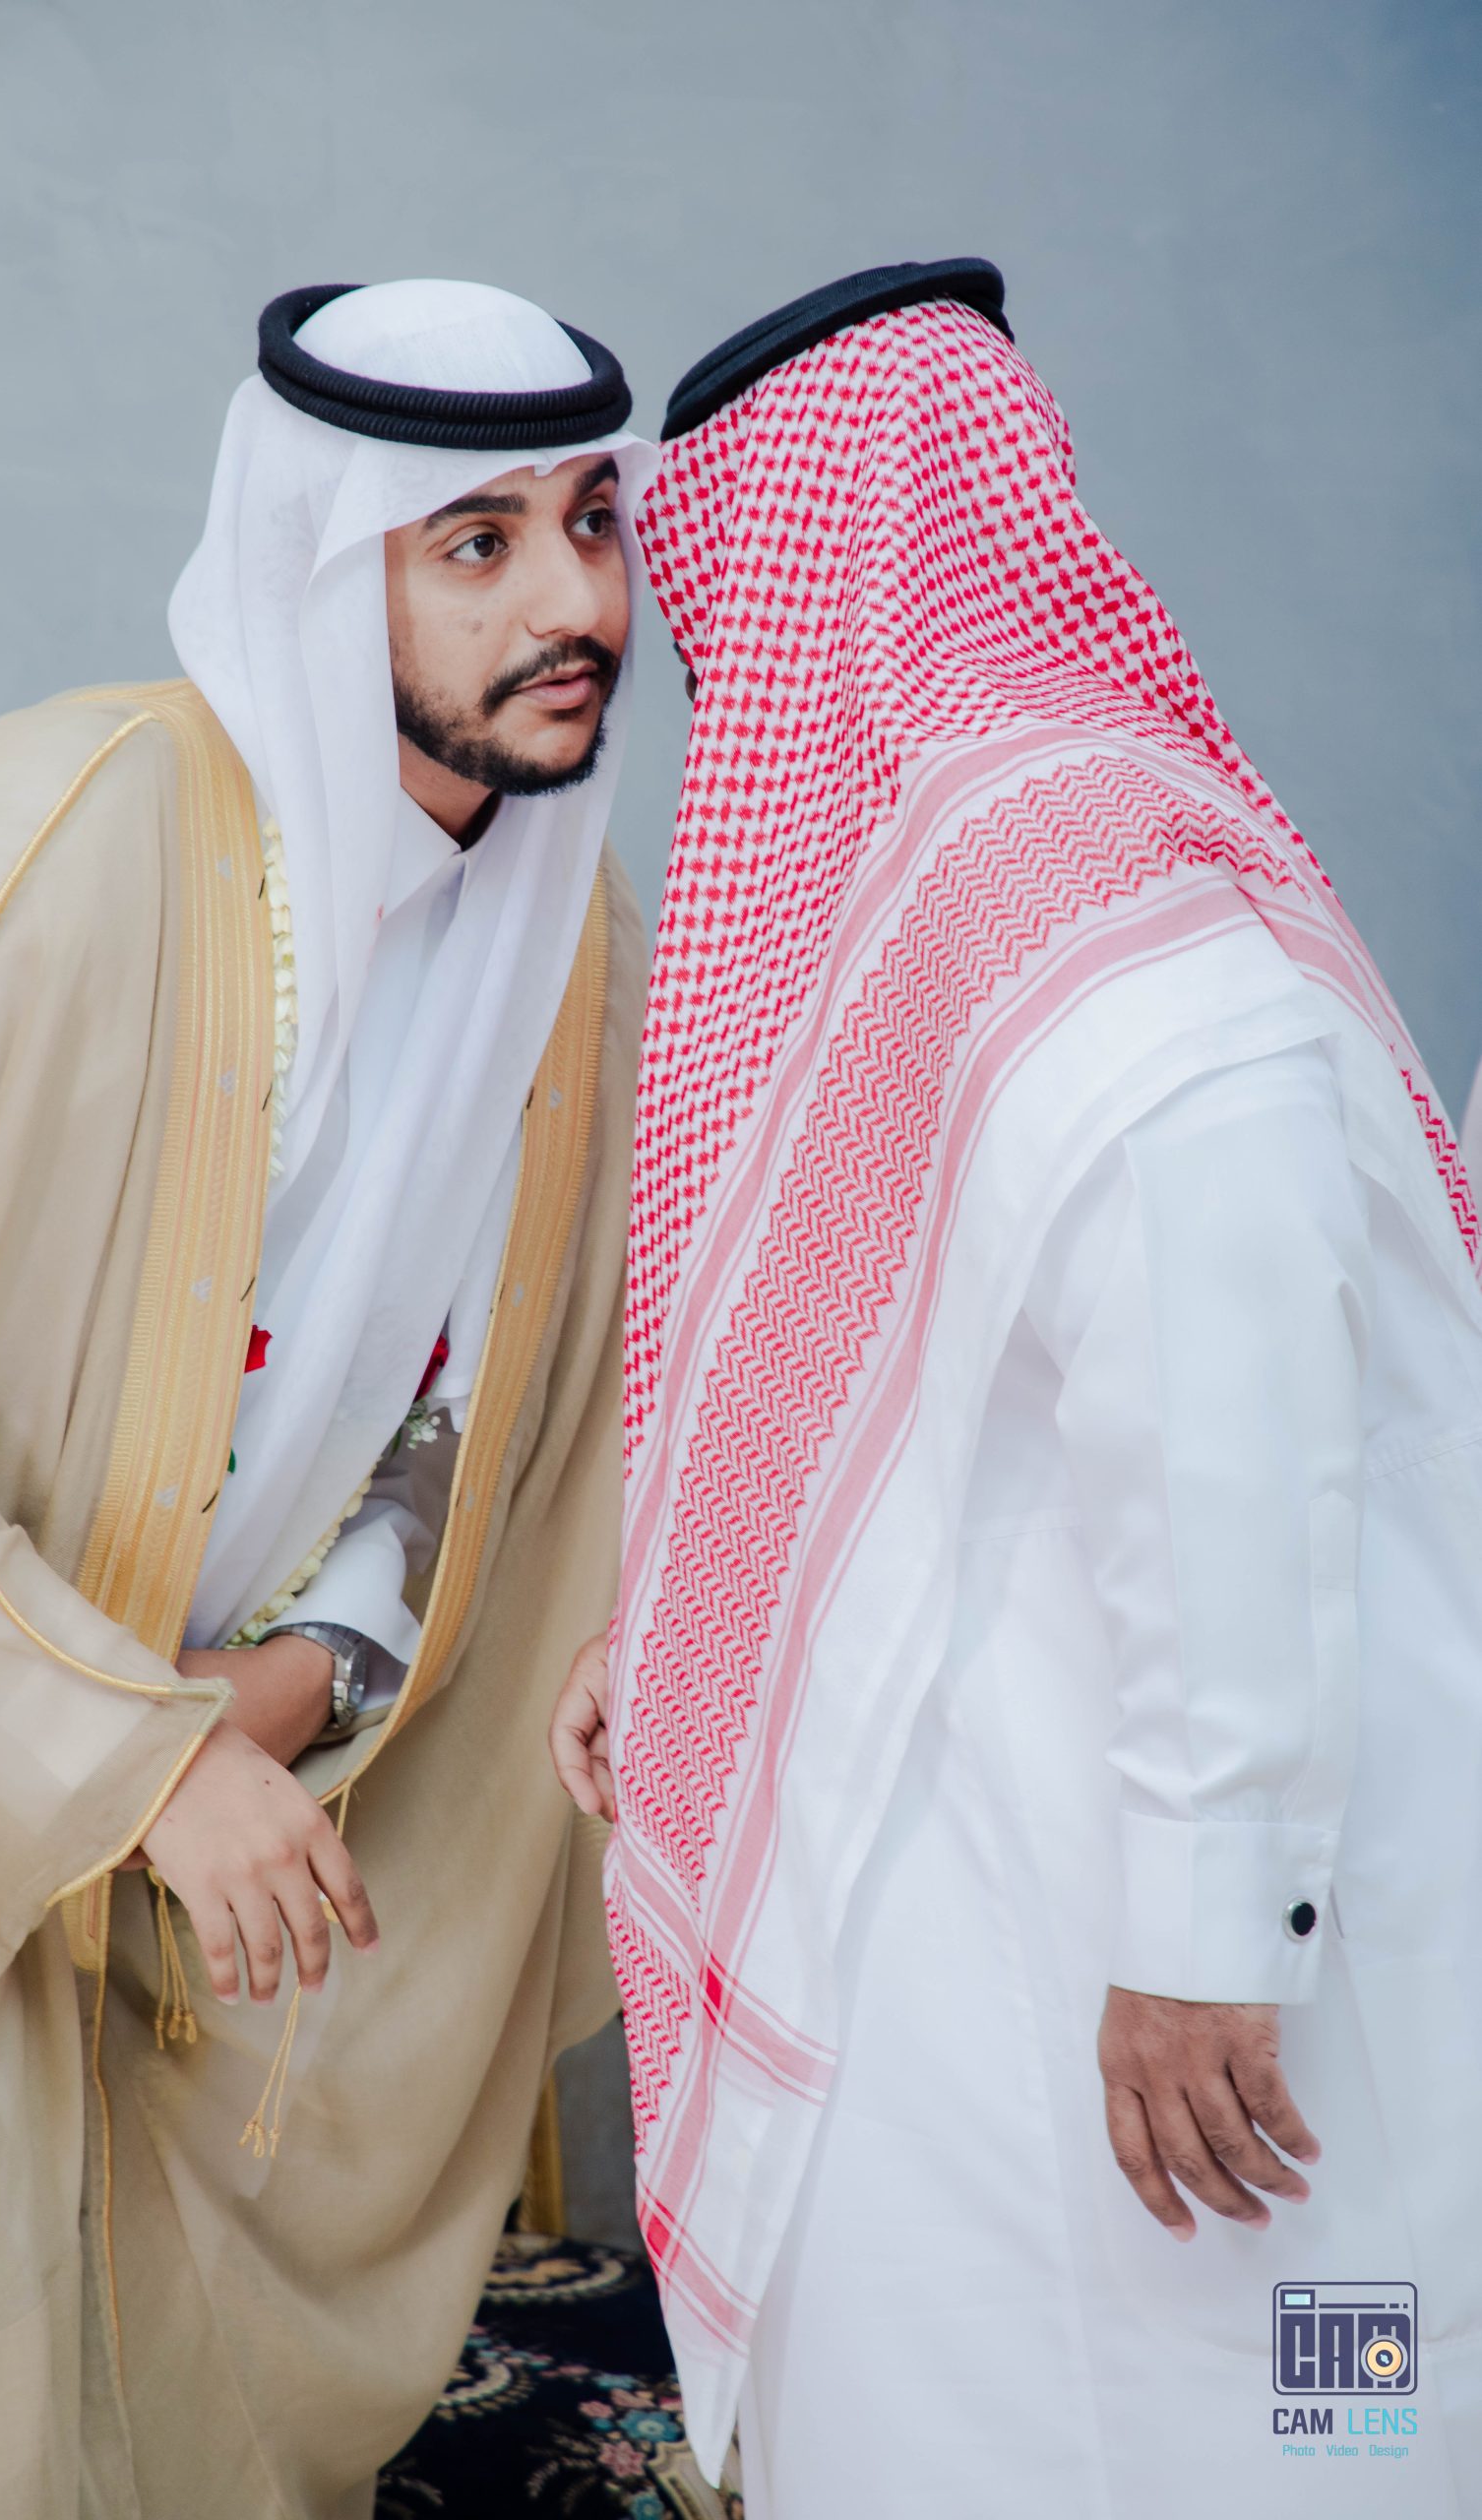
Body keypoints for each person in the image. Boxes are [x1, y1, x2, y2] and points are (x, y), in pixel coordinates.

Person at [551, 262, 1482, 2513]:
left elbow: (1227, 1372)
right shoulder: (956, 879)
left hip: (1159, 1945)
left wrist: (1203, 1918)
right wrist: (665, 1646)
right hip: (1003, 1880)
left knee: (1292, 2411)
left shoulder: (1048, 867)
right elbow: (877, 1380)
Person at [0, 277, 652, 2519]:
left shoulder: (571, 948)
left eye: (592, 521)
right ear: (318, 559)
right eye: (478, 543)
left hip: (275, 1796)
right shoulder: (58, 836)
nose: (576, 603)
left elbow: (489, 1435)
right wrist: (122, 1753)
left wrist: (274, 1696)